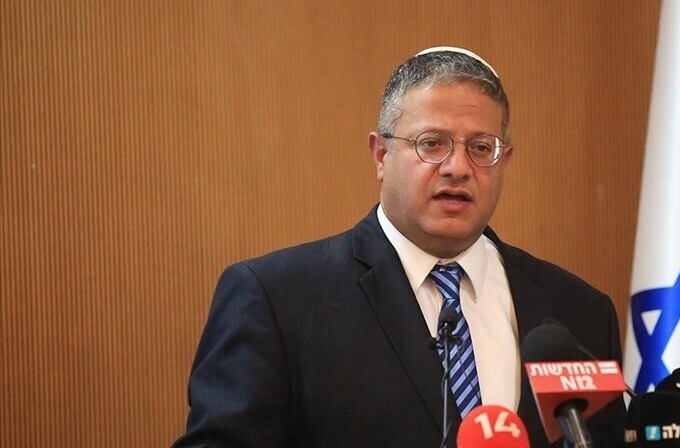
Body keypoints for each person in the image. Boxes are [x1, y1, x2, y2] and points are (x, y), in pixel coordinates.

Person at [174, 47, 625, 447]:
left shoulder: (580, 314)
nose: (457, 167)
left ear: (503, 161)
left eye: (480, 147)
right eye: (432, 143)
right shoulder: (277, 300)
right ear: (381, 155)